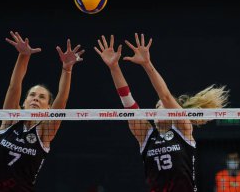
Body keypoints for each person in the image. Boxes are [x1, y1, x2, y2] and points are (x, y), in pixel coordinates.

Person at [95, 34, 229, 192]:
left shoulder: (182, 129)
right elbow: (128, 102)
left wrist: (147, 64)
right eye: (156, 106)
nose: (158, 109)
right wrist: (114, 67)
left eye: (163, 106)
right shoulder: (146, 136)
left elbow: (164, 95)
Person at [0, 31, 84, 192]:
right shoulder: (10, 121)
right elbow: (14, 86)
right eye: (32, 95)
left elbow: (61, 101)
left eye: (42, 97)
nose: (36, 99)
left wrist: (67, 70)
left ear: (48, 108)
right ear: (23, 102)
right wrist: (23, 56)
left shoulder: (44, 132)